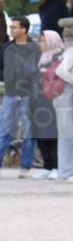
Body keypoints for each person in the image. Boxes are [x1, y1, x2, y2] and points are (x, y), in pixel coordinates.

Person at [0, 16, 42, 179]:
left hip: (28, 95)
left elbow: (40, 72)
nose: (11, 30)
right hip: (11, 94)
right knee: (4, 130)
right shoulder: (6, 48)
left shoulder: (34, 49)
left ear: (24, 30)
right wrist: (6, 76)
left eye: (14, 27)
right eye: (11, 27)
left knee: (29, 131)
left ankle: (25, 167)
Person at [30, 30, 64, 179]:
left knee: (54, 135)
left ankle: (57, 166)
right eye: (40, 40)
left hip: (54, 100)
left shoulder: (60, 56)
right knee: (41, 134)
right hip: (39, 100)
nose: (41, 44)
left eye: (43, 40)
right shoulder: (41, 57)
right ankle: (47, 166)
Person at [55, 18, 73, 183]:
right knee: (67, 134)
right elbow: (61, 71)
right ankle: (66, 173)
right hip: (64, 95)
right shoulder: (72, 51)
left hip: (66, 95)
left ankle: (66, 171)